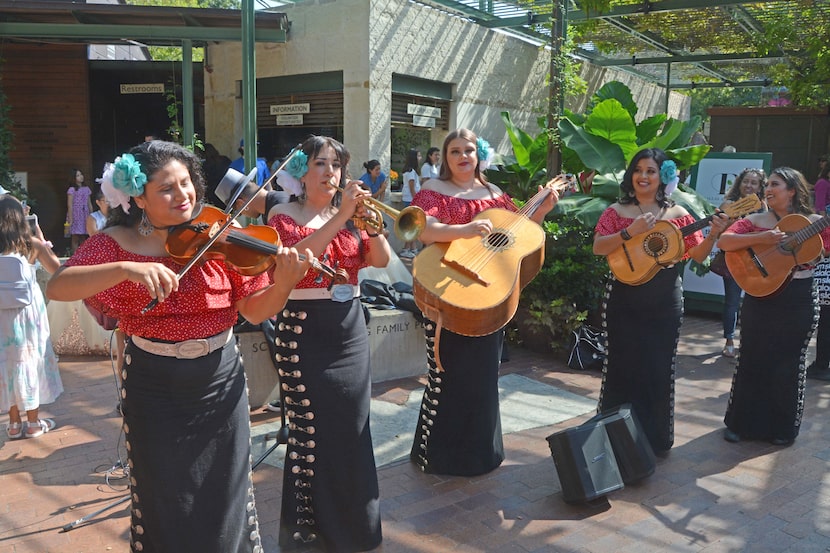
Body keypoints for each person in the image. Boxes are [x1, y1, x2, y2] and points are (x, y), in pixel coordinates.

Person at [46, 140, 312, 553]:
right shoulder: (116, 243)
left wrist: (285, 283)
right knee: (164, 492)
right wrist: (125, 269)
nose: (183, 195)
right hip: (153, 382)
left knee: (226, 488)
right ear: (139, 198)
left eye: (187, 183)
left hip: (218, 377)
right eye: (167, 189)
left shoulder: (222, 237)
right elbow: (59, 286)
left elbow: (257, 312)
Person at [408, 128, 559, 476]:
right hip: (446, 288)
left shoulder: (494, 193)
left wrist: (542, 210)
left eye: (469, 150)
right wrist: (462, 231)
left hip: (488, 292)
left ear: (480, 155)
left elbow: (519, 232)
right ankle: (439, 455)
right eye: (455, 151)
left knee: (483, 373)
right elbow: (422, 230)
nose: (463, 157)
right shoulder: (434, 190)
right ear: (445, 158)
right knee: (446, 371)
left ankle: (481, 454)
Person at [266, 135, 390, 551]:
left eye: (336, 165)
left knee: (353, 428)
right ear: (303, 171)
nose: (330, 173)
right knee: (311, 433)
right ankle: (311, 533)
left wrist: (371, 225)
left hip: (349, 326)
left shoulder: (352, 216)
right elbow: (297, 261)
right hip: (303, 328)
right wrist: (343, 217)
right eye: (321, 164)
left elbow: (381, 260)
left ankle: (356, 529)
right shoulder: (282, 214)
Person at [592, 148, 730, 455]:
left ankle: (653, 439)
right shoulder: (616, 211)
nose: (643, 176)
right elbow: (599, 247)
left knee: (657, 367)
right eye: (638, 170)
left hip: (664, 300)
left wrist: (714, 234)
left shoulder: (679, 215)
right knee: (621, 365)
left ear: (663, 175)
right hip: (623, 300)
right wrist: (631, 232)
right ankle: (613, 436)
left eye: (651, 171)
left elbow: (696, 255)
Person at [718, 167, 830, 446]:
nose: (768, 188)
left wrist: (810, 251)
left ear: (792, 190)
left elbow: (824, 249)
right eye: (767, 184)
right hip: (760, 297)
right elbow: (725, 241)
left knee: (789, 363)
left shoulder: (815, 222)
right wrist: (762, 238)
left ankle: (782, 428)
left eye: (775, 184)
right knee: (751, 359)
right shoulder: (755, 219)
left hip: (799, 298)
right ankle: (739, 425)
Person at [1, 195, 63, 439]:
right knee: (30, 360)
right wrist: (40, 236)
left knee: (7, 363)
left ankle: (14, 424)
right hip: (28, 313)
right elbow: (56, 268)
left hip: (1, 314)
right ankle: (34, 423)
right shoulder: (30, 244)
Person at [717, 168, 767, 358]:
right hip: (734, 259)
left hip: (757, 261)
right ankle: (729, 340)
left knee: (755, 301)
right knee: (732, 301)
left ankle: (749, 341)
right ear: (739, 183)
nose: (749, 185)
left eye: (754, 183)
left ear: (760, 186)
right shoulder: (728, 204)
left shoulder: (763, 207)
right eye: (746, 181)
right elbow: (720, 236)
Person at [399, 148, 422, 258]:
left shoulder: (410, 171)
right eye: (418, 156)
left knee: (412, 226)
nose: (420, 158)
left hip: (409, 200)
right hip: (410, 200)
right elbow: (412, 188)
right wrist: (416, 201)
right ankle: (406, 249)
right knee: (411, 226)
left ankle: (412, 248)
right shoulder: (411, 172)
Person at [66, 168, 92, 253]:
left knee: (83, 236)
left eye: (81, 174)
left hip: (85, 214)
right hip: (75, 215)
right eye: (78, 175)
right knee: (75, 236)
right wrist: (70, 218)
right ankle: (75, 257)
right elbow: (70, 205)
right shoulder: (72, 190)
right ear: (73, 178)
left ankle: (83, 256)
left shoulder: (86, 189)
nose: (81, 177)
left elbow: (89, 203)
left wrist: (91, 215)